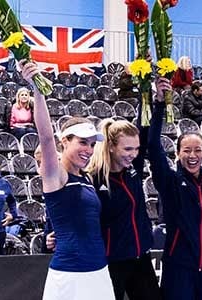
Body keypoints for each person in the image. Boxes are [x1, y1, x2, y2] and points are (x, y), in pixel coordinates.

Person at [19, 60, 113, 300]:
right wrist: (38, 90)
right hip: (69, 276)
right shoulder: (55, 175)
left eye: (92, 144)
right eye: (82, 142)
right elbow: (46, 137)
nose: (89, 150)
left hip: (99, 271)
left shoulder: (87, 178)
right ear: (64, 142)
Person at [147, 79, 202, 300]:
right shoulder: (169, 181)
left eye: (197, 150)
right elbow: (152, 147)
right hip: (180, 268)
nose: (192, 156)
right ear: (178, 153)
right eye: (187, 150)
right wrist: (160, 105)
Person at [84, 108, 160, 297]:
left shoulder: (133, 167)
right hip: (111, 261)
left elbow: (147, 125)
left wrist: (153, 97)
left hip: (140, 256)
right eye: (127, 149)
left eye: (136, 149)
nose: (133, 154)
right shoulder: (94, 178)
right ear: (110, 146)